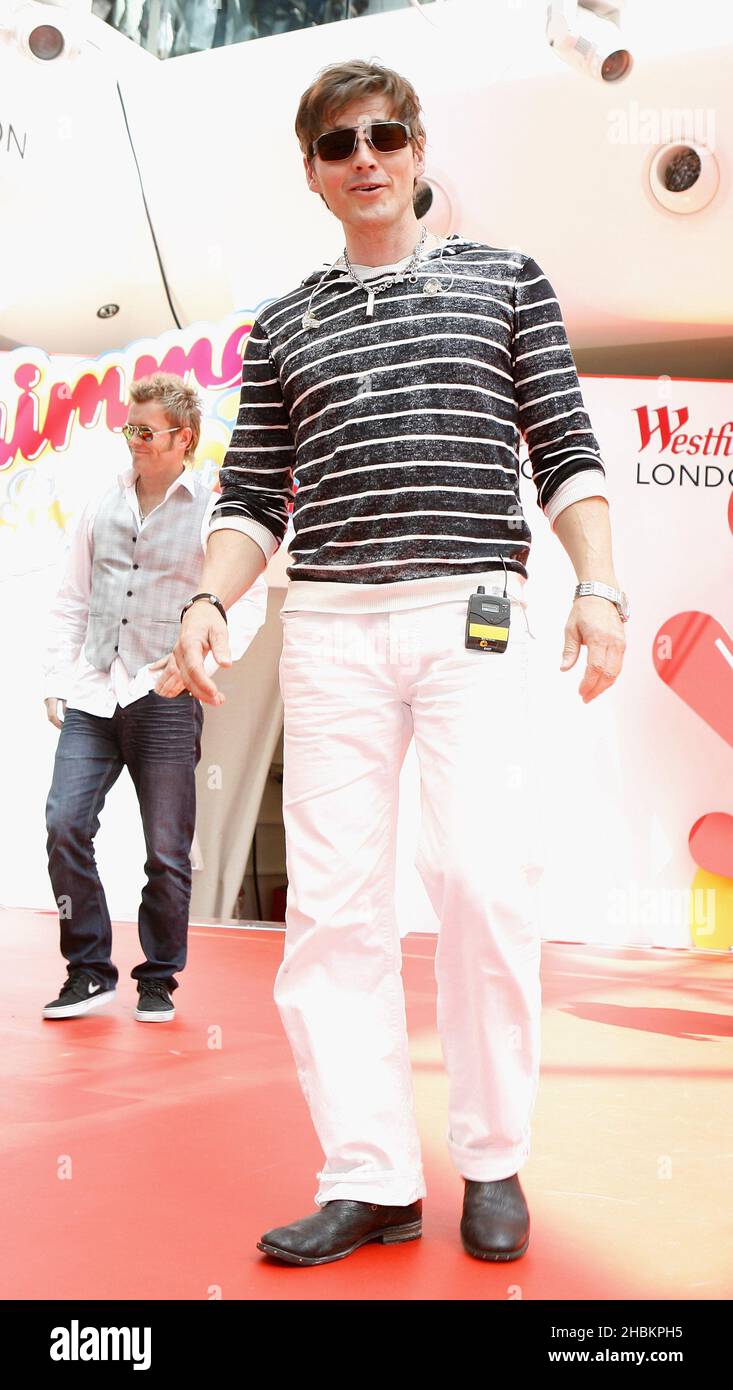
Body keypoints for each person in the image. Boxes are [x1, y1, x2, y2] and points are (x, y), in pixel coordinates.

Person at [173, 59, 629, 1263]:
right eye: (338, 144)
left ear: (418, 148)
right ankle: (371, 1174)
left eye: (384, 134)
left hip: (473, 612)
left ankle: (490, 1158)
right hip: (326, 628)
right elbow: (249, 497)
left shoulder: (508, 283)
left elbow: (566, 453)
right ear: (314, 171)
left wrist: (597, 585)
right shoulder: (283, 322)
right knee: (333, 913)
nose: (364, 157)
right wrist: (212, 600)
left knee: (483, 880)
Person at [42, 372, 268, 1023]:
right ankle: (88, 970)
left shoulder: (212, 509)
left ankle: (159, 977)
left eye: (145, 431)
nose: (134, 441)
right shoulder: (99, 503)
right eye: (128, 429)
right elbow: (71, 599)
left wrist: (194, 661)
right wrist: (57, 677)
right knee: (64, 824)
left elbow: (240, 606)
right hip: (92, 692)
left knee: (167, 847)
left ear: (182, 438)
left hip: (164, 694)